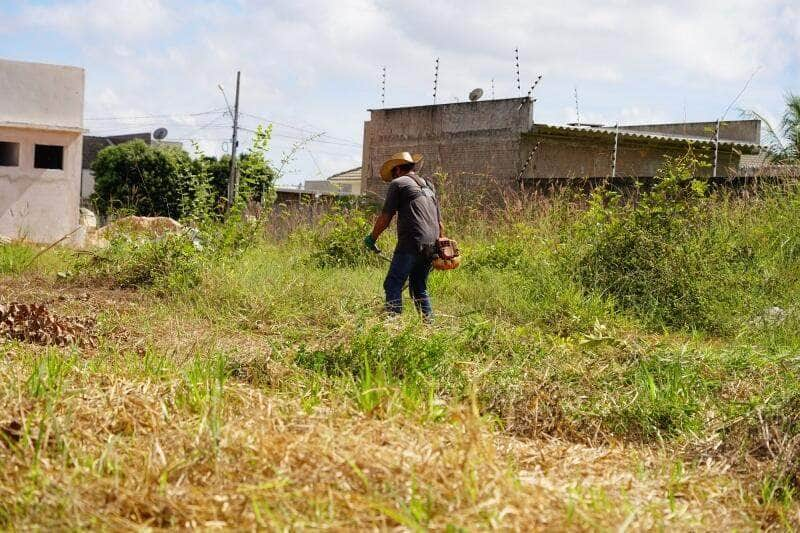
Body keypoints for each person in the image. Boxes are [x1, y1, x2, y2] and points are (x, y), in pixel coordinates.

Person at [364, 152, 444, 321]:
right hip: (431, 243)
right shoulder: (429, 185)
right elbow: (440, 222)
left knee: (393, 283)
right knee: (418, 286)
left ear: (398, 169)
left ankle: (394, 326)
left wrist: (372, 238)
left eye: (393, 173)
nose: (392, 177)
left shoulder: (398, 183)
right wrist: (439, 245)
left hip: (411, 242)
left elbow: (386, 217)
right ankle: (430, 326)